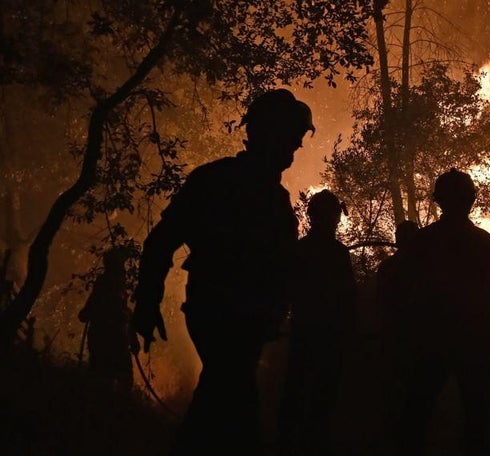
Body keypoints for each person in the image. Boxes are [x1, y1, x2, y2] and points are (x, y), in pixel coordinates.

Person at [130, 88, 314, 455]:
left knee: (224, 402)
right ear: (267, 133)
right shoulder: (219, 183)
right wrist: (147, 301)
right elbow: (163, 241)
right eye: (291, 140)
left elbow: (282, 265)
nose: (294, 151)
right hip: (223, 313)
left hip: (242, 317)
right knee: (233, 400)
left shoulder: (270, 196)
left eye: (296, 142)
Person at [395, 169, 490, 456]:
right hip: (470, 344)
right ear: (470, 200)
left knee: (417, 415)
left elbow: (403, 290)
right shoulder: (481, 242)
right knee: (476, 417)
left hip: (432, 342)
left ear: (439, 201)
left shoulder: (423, 242)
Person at [277, 189, 357, 456]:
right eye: (334, 215)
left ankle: (289, 444)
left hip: (305, 331)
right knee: (322, 396)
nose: (335, 220)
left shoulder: (300, 250)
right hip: (329, 335)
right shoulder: (336, 253)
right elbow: (349, 298)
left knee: (296, 391)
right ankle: (313, 444)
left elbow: (286, 291)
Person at [375, 220, 419, 449]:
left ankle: (394, 436)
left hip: (395, 338)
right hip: (410, 339)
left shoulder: (388, 268)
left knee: (394, 388)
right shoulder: (425, 270)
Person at [78, 246, 134, 391]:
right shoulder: (114, 284)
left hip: (103, 337)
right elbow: (121, 312)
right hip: (113, 339)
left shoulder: (106, 283)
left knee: (101, 377)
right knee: (117, 379)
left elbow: (86, 312)